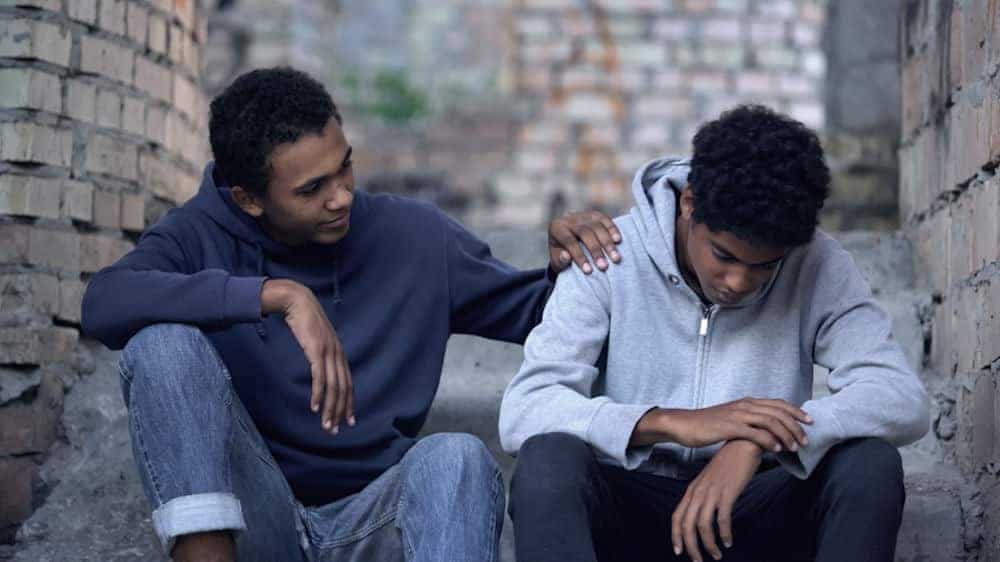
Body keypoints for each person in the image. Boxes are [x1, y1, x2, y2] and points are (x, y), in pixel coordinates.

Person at [81, 66, 622, 562]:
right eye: (312, 189)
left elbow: (540, 316)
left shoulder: (414, 237)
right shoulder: (198, 233)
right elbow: (105, 303)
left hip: (375, 518)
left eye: (345, 169)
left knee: (457, 457)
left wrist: (569, 270)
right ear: (248, 199)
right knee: (164, 346)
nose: (340, 197)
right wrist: (276, 295)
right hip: (255, 517)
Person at [499, 105, 930, 562]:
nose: (739, 282)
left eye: (765, 265)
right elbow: (526, 408)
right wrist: (672, 423)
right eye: (723, 255)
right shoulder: (607, 257)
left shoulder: (819, 264)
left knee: (869, 465)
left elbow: (900, 396)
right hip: (631, 513)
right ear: (689, 204)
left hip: (751, 511)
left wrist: (756, 439)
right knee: (548, 461)